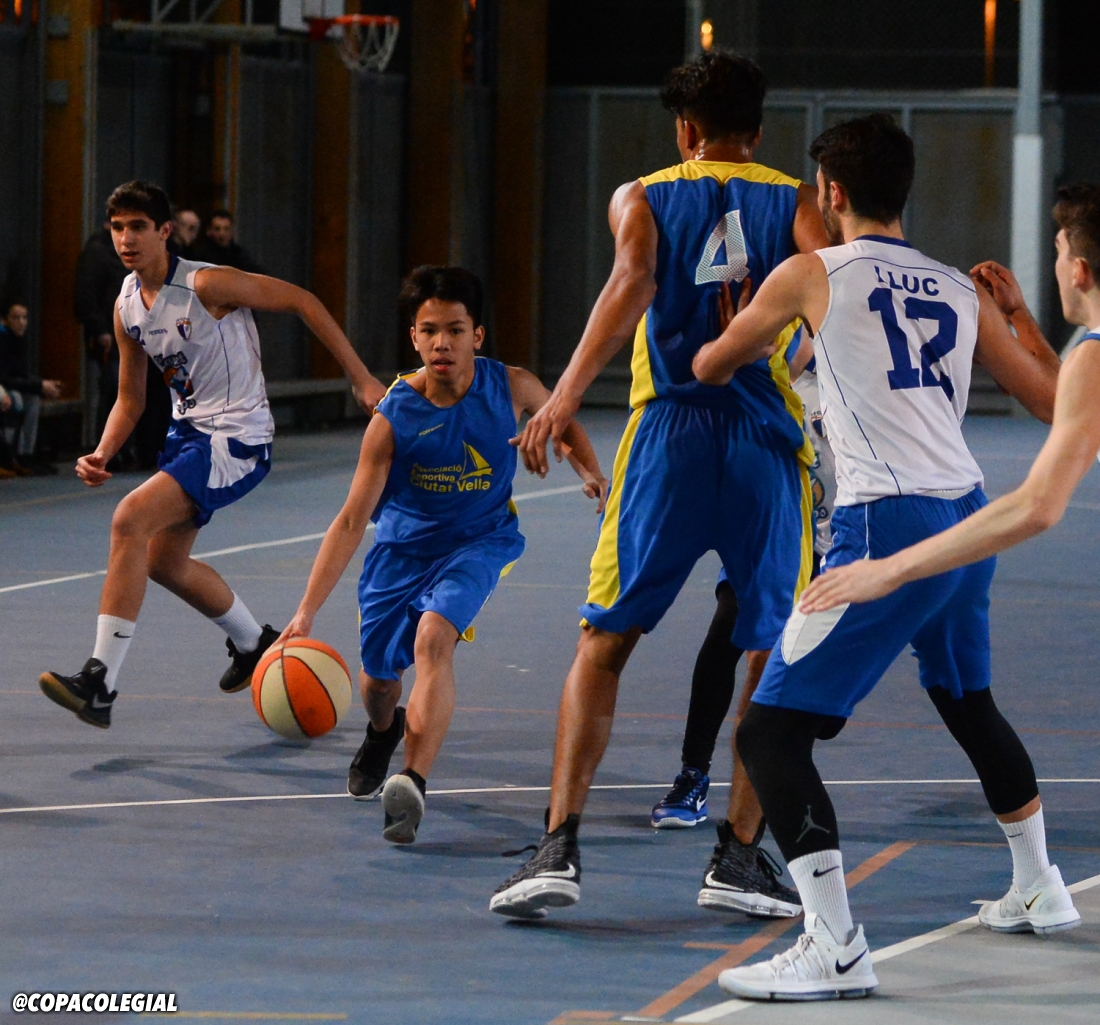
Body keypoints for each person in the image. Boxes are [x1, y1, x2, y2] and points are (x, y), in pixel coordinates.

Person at [691, 114, 1072, 1002]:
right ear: (904, 190)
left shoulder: (809, 272)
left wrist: (734, 323)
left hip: (885, 522)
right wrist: (1019, 316)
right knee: (968, 701)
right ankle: (1039, 883)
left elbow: (711, 365)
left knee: (769, 735)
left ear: (830, 193)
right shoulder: (958, 286)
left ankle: (833, 943)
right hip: (968, 516)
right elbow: (1055, 400)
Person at [491, 49, 830, 921]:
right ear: (759, 129)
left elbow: (631, 282)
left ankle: (558, 845)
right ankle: (739, 855)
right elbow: (838, 298)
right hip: (763, 442)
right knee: (774, 649)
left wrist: (565, 396)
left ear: (685, 130)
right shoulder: (799, 202)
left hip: (668, 435)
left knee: (604, 638)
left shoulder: (639, 196)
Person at [38, 180, 387, 730]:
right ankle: (254, 643)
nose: (126, 238)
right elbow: (131, 398)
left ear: (164, 232)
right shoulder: (127, 305)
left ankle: (100, 681)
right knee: (163, 562)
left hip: (236, 436)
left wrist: (360, 376)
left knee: (129, 519)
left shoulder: (207, 284)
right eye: (118, 228)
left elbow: (302, 300)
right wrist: (103, 451)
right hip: (188, 435)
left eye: (138, 227)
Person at [277, 266, 607, 844]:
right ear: (414, 337)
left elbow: (564, 425)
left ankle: (412, 780)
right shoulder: (394, 417)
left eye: (455, 330)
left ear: (477, 334)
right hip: (401, 553)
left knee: (434, 638)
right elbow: (351, 521)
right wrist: (305, 612)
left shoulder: (511, 386)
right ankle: (384, 731)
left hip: (480, 541)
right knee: (379, 684)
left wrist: (590, 473)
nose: (442, 343)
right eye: (429, 331)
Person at [798, 183, 1100, 616]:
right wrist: (1017, 315)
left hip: (891, 506)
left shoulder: (1092, 359)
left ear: (1079, 271)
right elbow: (1057, 399)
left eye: (1059, 252)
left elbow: (1037, 505)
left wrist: (891, 569)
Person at [651, 326, 835, 832]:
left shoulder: (860, 382)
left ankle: (768, 776)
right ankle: (693, 776)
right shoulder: (771, 374)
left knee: (825, 716)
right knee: (727, 639)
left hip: (841, 553)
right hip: (773, 532)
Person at [75, 220, 130, 447]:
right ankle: (103, 445)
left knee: (121, 390)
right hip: (106, 334)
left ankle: (119, 446)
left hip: (123, 333)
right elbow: (85, 295)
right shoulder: (97, 251)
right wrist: (99, 330)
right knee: (110, 390)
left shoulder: (121, 250)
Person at [0, 300, 62, 474]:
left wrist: (44, 385)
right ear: (4, 320)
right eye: (16, 318)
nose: (21, 322)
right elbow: (4, 378)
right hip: (3, 389)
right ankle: (12, 456)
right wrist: (38, 385)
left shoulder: (19, 340)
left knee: (34, 397)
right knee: (20, 400)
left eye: (24, 318)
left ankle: (26, 454)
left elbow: (21, 374)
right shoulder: (3, 340)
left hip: (10, 387)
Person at [192, 209, 263, 274]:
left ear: (232, 231)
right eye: (217, 229)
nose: (222, 234)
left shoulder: (239, 254)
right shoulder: (201, 256)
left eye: (226, 229)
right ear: (209, 231)